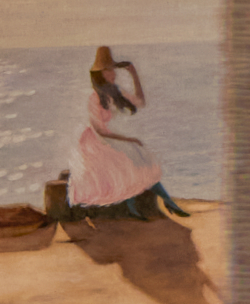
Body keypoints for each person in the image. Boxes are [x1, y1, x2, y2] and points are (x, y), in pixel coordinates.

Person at [68, 47, 190, 220]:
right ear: (100, 74)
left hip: (109, 138)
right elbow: (100, 131)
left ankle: (167, 201)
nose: (113, 74)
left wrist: (134, 75)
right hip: (95, 142)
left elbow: (140, 102)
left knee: (138, 156)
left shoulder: (115, 91)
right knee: (129, 159)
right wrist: (128, 139)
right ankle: (134, 208)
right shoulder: (94, 98)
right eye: (108, 70)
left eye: (113, 69)